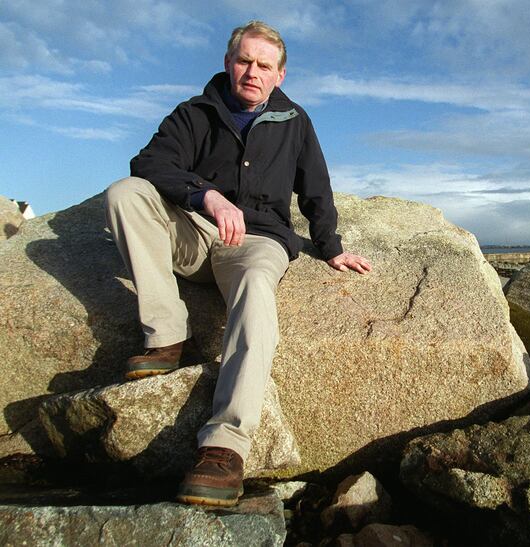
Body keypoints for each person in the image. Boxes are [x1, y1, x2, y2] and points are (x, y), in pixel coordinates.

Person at [104, 20, 371, 507]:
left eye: (263, 65)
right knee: (126, 195)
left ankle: (225, 447)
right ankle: (165, 336)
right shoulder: (195, 113)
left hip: (256, 241)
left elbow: (316, 190)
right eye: (244, 61)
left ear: (280, 75)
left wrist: (331, 247)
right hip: (193, 231)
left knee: (254, 289)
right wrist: (205, 195)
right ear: (229, 63)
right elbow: (149, 164)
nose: (252, 72)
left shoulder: (296, 122)